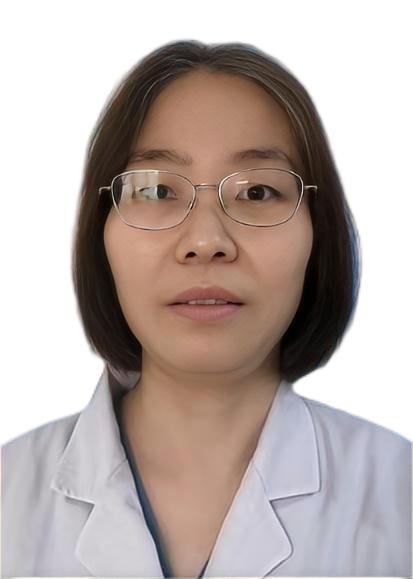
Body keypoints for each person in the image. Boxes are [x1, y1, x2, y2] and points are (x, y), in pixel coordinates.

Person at [1, 40, 411, 578]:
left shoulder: (400, 495)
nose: (206, 241)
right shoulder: (8, 496)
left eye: (257, 192)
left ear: (319, 232)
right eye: (156, 190)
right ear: (100, 233)